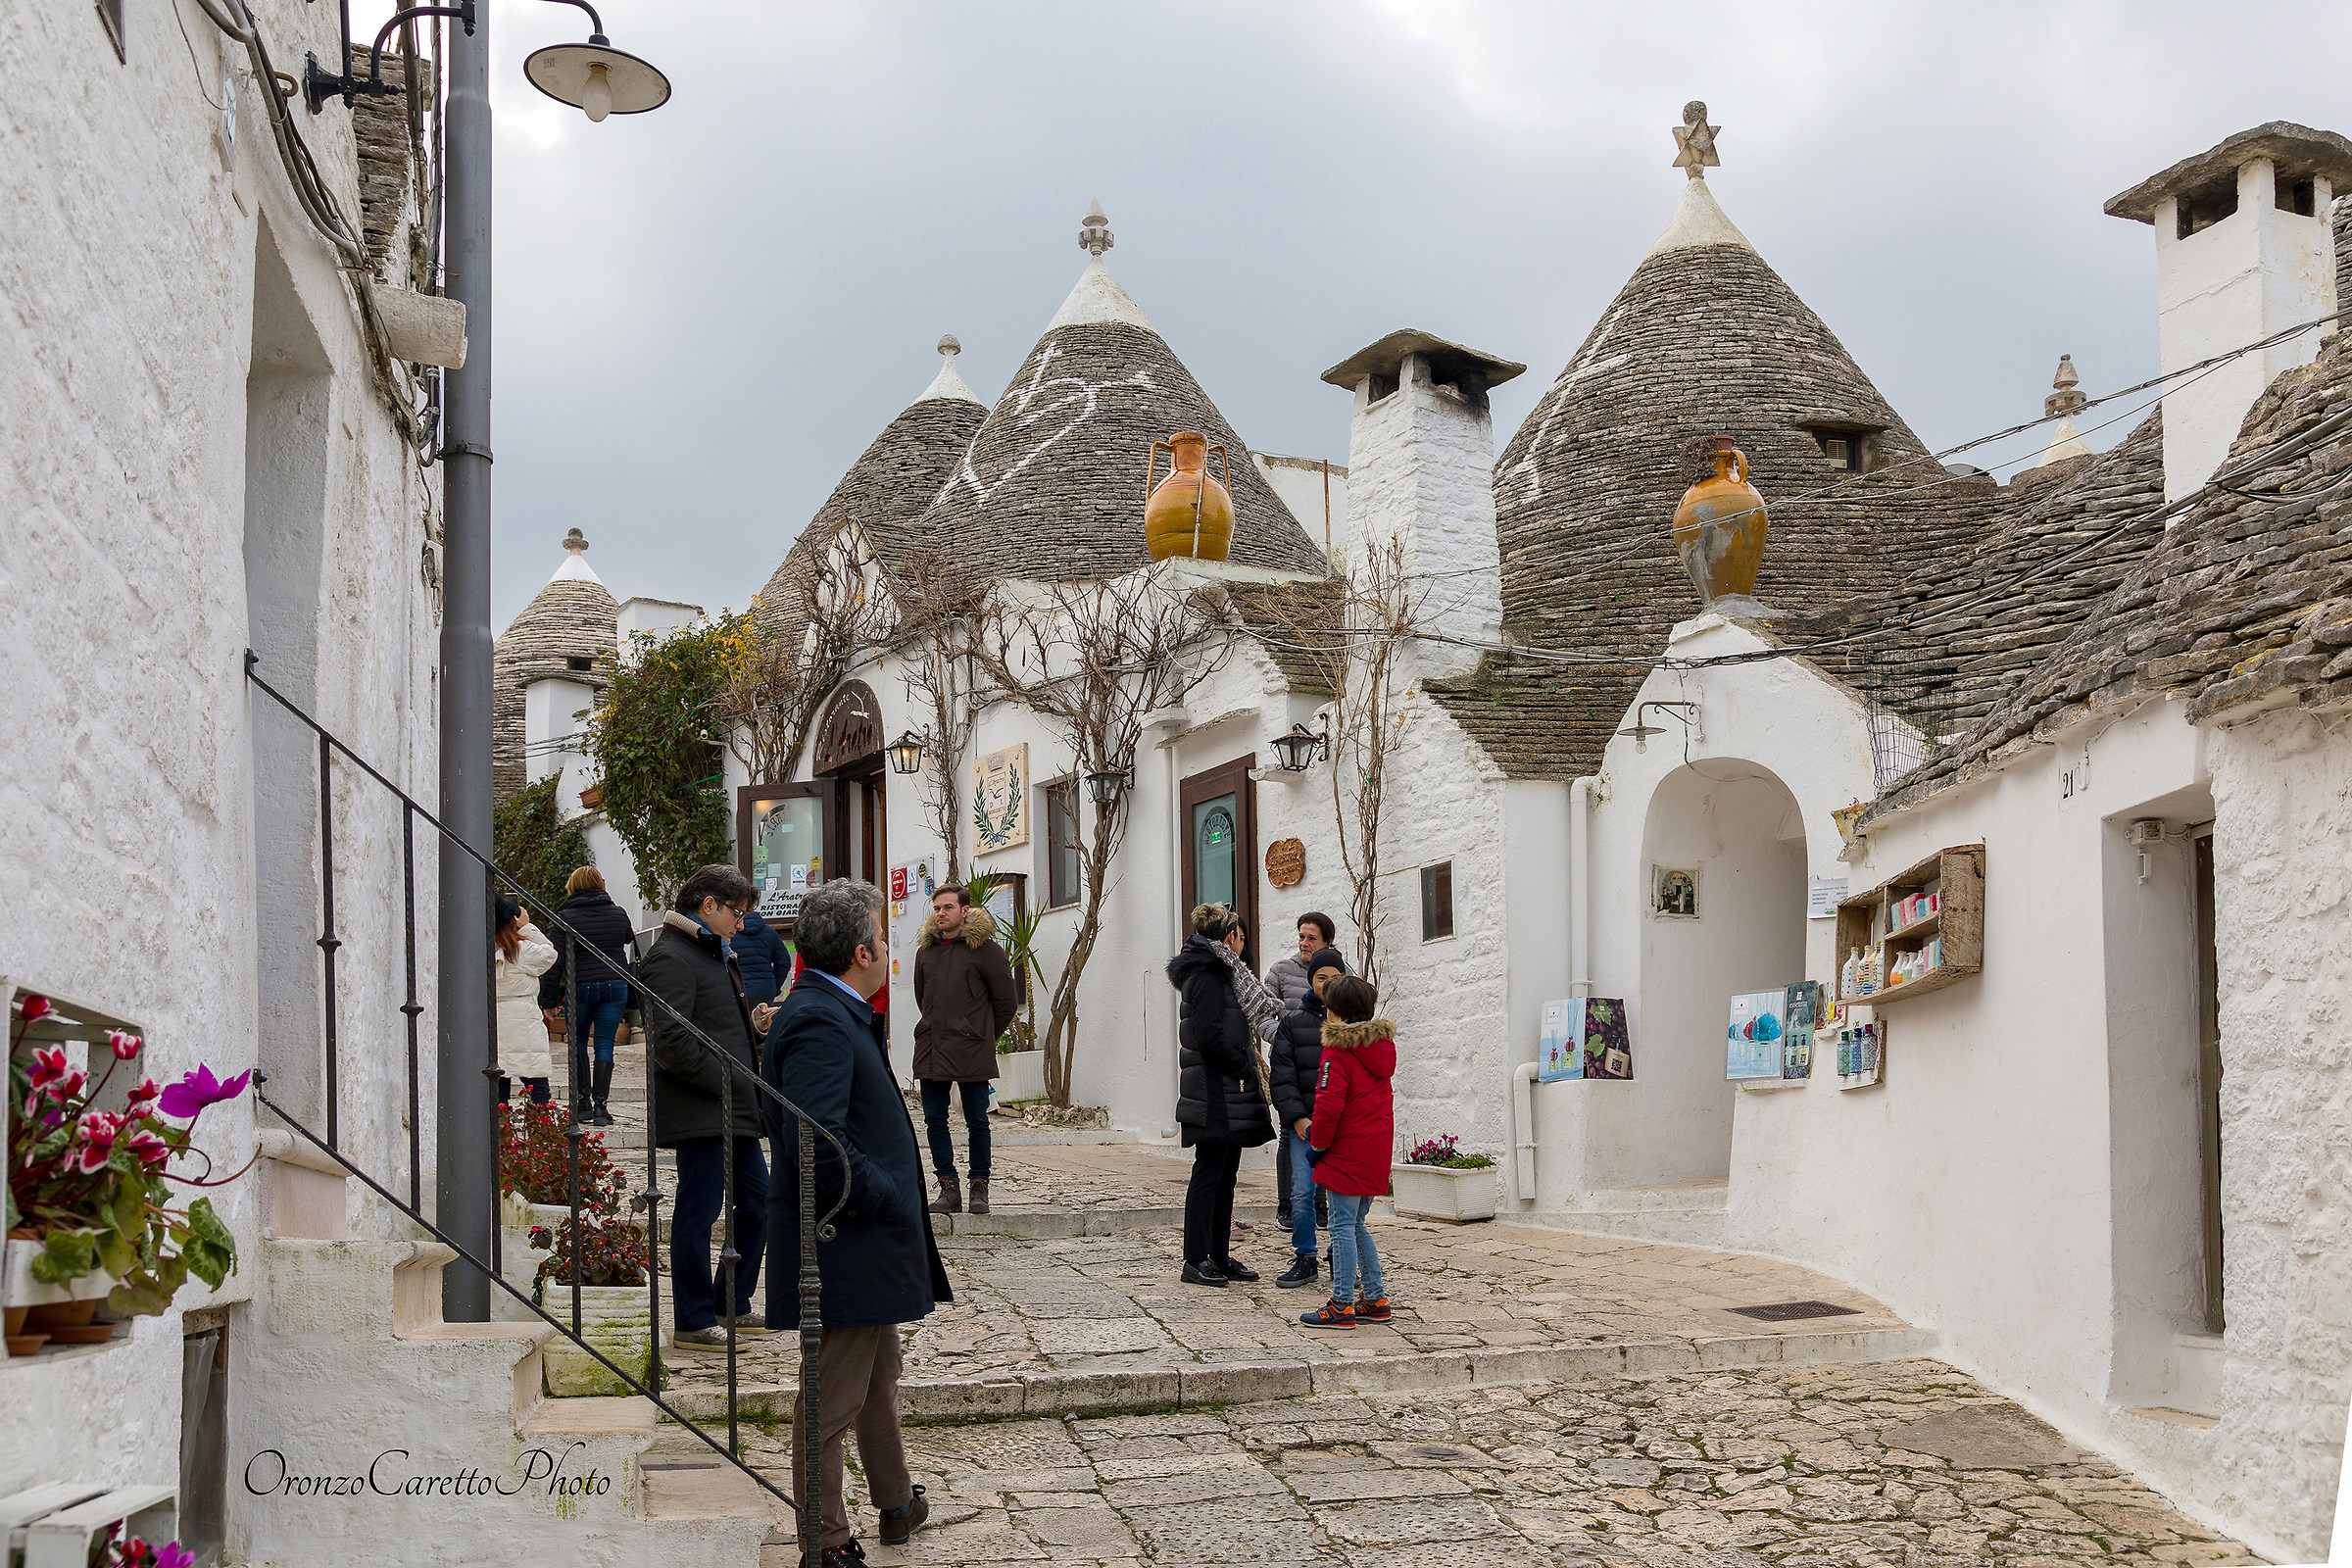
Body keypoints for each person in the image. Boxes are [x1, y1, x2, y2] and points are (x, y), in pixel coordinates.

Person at [761, 878, 949, 1567]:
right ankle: (826, 1538)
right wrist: (891, 1193)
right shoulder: (817, 1017)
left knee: (877, 1373)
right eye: (883, 932)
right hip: (844, 1237)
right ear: (864, 950)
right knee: (832, 1393)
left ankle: (897, 1502)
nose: (888, 945)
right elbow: (817, 1141)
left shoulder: (832, 1008)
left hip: (861, 1238)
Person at [639, 864, 770, 1350]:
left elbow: (713, 1027)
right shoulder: (670, 957)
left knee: (758, 1201)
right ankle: (693, 1320)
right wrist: (728, 1081)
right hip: (703, 1109)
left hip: (731, 1106)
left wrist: (754, 1028)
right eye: (737, 913)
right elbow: (669, 1041)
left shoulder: (710, 951)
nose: (742, 923)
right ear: (708, 905)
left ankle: (729, 1303)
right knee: (699, 1210)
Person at [1164, 904, 1277, 1287]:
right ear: (1228, 937)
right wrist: (1244, 1066)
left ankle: (1218, 1254)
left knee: (1225, 1175)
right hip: (1213, 1092)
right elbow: (1210, 1038)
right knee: (1209, 1174)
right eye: (1239, 936)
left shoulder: (1219, 972)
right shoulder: (1210, 974)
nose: (1243, 945)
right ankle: (1195, 1259)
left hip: (1223, 1090)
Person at [1298, 975, 1399, 1330]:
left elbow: (1328, 1105)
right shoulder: (1381, 1049)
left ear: (1333, 1010)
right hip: (1373, 1151)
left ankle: (1341, 1304)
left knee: (1341, 1226)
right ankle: (1375, 1298)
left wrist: (1318, 1144)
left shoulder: (1338, 1050)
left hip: (1345, 1150)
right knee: (1357, 1224)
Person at [911, 884, 1017, 1216]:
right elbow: (921, 997)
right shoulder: (925, 952)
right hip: (932, 1047)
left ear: (965, 910)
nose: (941, 913)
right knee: (934, 1121)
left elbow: (1006, 1003)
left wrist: (981, 1034)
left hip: (972, 1049)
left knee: (977, 1121)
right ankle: (948, 1188)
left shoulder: (986, 951)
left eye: (948, 908)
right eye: (937, 908)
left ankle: (979, 1189)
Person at [1268, 946, 1348, 1289]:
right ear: (1310, 982)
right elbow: (1282, 1077)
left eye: (1334, 977)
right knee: (1302, 1193)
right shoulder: (1292, 1025)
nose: (1327, 984)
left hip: (1343, 1130)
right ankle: (1305, 1257)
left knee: (1341, 1197)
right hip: (1305, 1128)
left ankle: (1341, 1257)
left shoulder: (1354, 1026)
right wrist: (1298, 1119)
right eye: (1320, 978)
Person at [536, 865, 638, 1126]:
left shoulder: (566, 917)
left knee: (578, 1042)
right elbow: (627, 938)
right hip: (615, 985)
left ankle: (583, 1103)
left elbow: (555, 962)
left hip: (580, 985)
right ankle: (601, 1108)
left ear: (573, 886)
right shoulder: (618, 914)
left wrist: (547, 1002)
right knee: (605, 1043)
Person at [1263, 912, 1338, 1231]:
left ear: (1327, 943)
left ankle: (1320, 1206)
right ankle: (1287, 1205)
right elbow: (1263, 1013)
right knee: (1289, 1135)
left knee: (1325, 1138)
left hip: (1326, 1068)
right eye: (1301, 936)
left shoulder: (1338, 974)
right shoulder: (1281, 971)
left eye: (1312, 938)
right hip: (1291, 1067)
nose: (1304, 943)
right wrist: (1286, 1039)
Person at [493, 894, 558, 1106]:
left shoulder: (480, 949)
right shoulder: (521, 950)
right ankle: (539, 1134)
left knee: (498, 1090)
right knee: (538, 1090)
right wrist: (527, 927)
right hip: (525, 1025)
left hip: (494, 1024)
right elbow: (549, 954)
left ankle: (501, 1137)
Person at [734, 905, 791, 1006]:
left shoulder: (731, 933)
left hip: (739, 991)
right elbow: (784, 962)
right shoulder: (770, 932)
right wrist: (774, 985)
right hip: (766, 991)